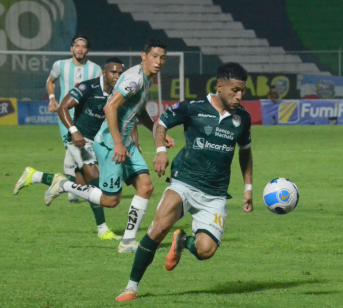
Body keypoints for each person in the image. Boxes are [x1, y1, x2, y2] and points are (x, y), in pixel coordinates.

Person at [115, 62, 253, 302]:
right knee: (158, 228)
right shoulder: (193, 107)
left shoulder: (243, 118)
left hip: (215, 193)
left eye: (243, 91)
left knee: (205, 251)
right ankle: (131, 287)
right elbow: (161, 124)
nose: (239, 96)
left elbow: (245, 151)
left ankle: (181, 241)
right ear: (220, 86)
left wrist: (248, 187)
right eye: (235, 90)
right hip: (185, 182)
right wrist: (160, 150)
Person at [44, 39, 174, 253]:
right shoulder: (133, 79)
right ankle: (64, 185)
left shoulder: (147, 78)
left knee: (146, 187)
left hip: (125, 142)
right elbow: (109, 108)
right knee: (111, 200)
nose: (158, 62)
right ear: (144, 56)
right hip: (111, 143)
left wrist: (157, 132)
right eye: (154, 57)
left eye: (162, 58)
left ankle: (127, 242)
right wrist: (117, 143)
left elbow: (139, 109)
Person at [13, 58, 125, 240]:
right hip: (79, 141)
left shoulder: (119, 93)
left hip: (98, 143)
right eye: (113, 72)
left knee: (83, 186)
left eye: (120, 73)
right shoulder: (87, 88)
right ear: (104, 73)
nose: (117, 76)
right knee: (95, 183)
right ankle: (102, 230)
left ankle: (36, 176)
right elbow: (63, 107)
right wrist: (74, 131)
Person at [46, 34, 102, 203]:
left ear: (87, 50)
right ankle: (74, 191)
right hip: (66, 114)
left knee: (78, 150)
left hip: (87, 116)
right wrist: (52, 99)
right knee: (70, 149)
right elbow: (50, 81)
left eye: (83, 47)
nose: (79, 49)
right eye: (76, 46)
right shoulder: (60, 65)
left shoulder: (95, 69)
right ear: (71, 48)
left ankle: (73, 188)